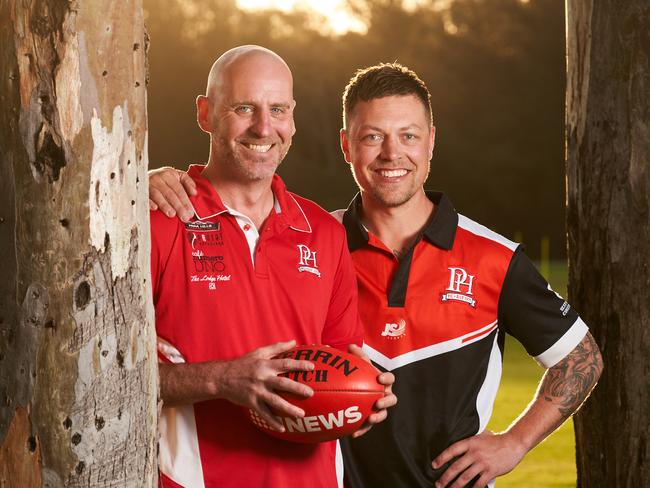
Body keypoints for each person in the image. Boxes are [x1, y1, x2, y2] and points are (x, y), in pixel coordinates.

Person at [150, 63, 603, 487]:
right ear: (346, 144)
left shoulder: (493, 257)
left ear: (431, 143)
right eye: (372, 137)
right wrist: (144, 183)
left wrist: (513, 444)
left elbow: (581, 357)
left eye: (408, 135)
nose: (392, 154)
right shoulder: (315, 241)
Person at [150, 45, 395, 488]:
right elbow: (108, 377)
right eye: (244, 108)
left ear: (293, 119)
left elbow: (342, 364)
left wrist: (367, 398)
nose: (264, 127)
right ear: (205, 113)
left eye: (277, 109)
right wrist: (222, 379)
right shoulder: (157, 221)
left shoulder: (323, 232)